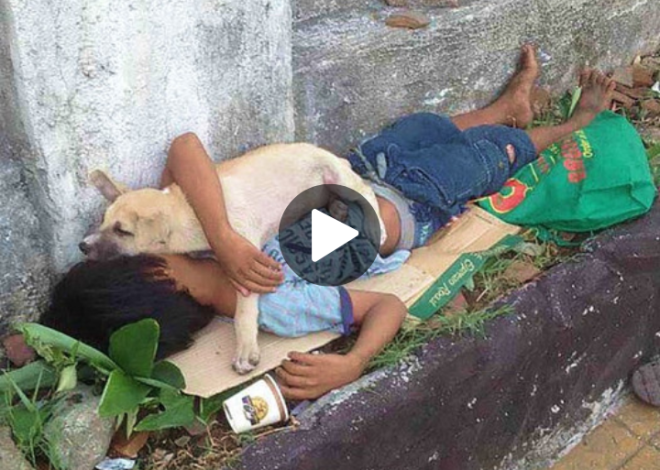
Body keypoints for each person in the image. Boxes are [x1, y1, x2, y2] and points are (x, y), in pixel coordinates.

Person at [43, 45, 617, 400]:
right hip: (416, 203)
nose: (144, 243)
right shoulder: (275, 301)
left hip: (362, 165)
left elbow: (186, 148)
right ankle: (566, 127)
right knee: (493, 156)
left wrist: (223, 235)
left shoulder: (197, 243)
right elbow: (380, 296)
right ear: (159, 279)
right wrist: (351, 363)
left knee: (426, 128)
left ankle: (504, 109)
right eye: (135, 252)